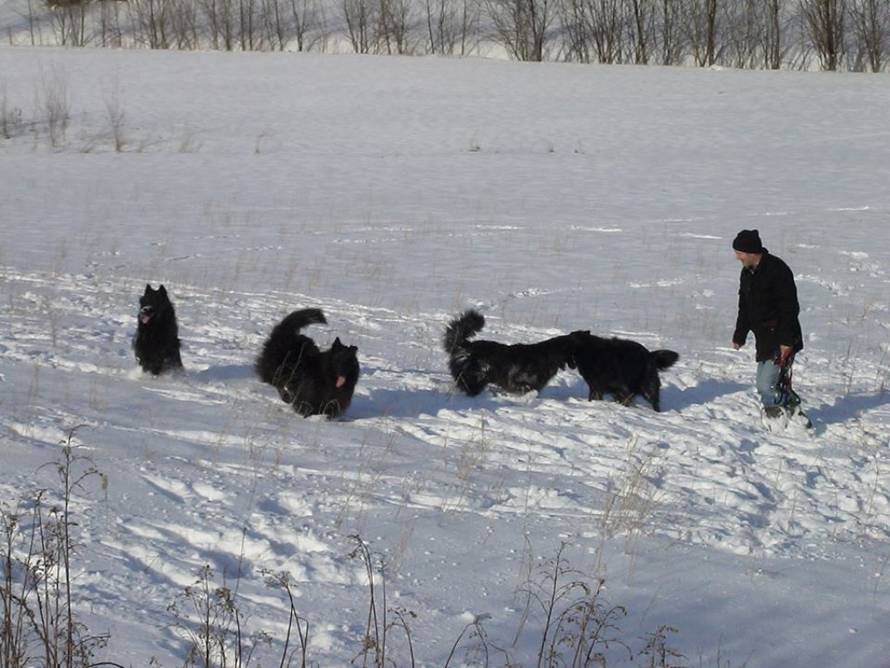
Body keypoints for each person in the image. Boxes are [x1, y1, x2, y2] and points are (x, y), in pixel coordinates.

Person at [731, 229, 808, 424]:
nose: (737, 257)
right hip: (764, 338)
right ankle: (788, 411)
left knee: (766, 385)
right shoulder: (747, 272)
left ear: (751, 252)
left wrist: (786, 341)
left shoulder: (777, 270)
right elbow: (744, 306)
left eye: (739, 253)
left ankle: (778, 417)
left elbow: (789, 308)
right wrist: (740, 335)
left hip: (782, 337)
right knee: (765, 384)